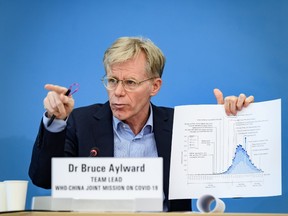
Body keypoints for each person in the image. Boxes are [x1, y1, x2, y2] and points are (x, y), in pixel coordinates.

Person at [28, 36, 254, 212]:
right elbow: (43, 179)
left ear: (155, 86)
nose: (117, 92)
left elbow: (232, 186)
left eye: (130, 83)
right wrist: (56, 121)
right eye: (112, 80)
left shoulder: (181, 126)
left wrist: (229, 126)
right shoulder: (81, 121)